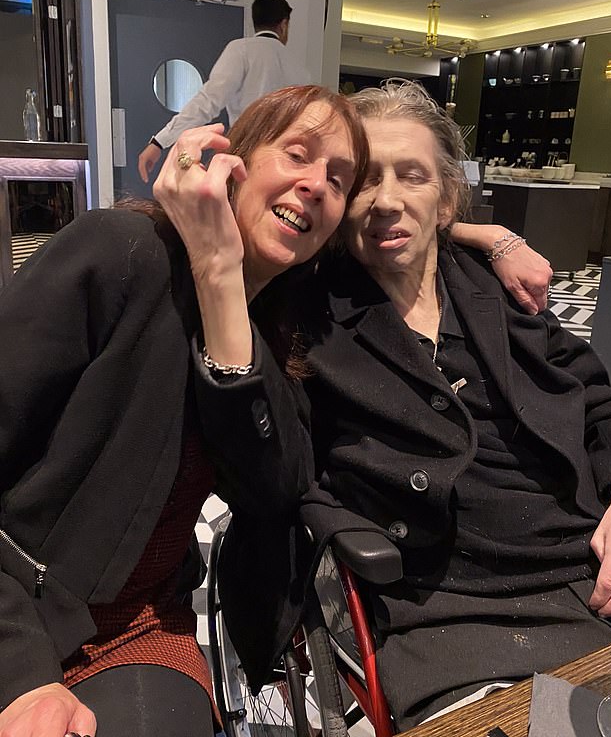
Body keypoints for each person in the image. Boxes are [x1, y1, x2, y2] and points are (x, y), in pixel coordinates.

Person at [0, 84, 368, 737]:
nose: (316, 185)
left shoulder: (280, 332)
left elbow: (274, 488)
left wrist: (222, 274)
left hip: (139, 625)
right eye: (298, 154)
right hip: (18, 606)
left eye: (338, 180)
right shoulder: (120, 252)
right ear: (234, 158)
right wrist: (23, 677)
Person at [296, 79, 611, 730]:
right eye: (365, 178)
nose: (387, 199)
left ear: (447, 196)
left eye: (413, 176)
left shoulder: (492, 290)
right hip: (459, 606)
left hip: (597, 567)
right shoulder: (311, 318)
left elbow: (604, 397)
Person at [137, 0, 309, 183]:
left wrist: (160, 141)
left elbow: (207, 102)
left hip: (244, 159)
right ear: (284, 24)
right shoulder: (301, 70)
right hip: (285, 166)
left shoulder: (241, 50)